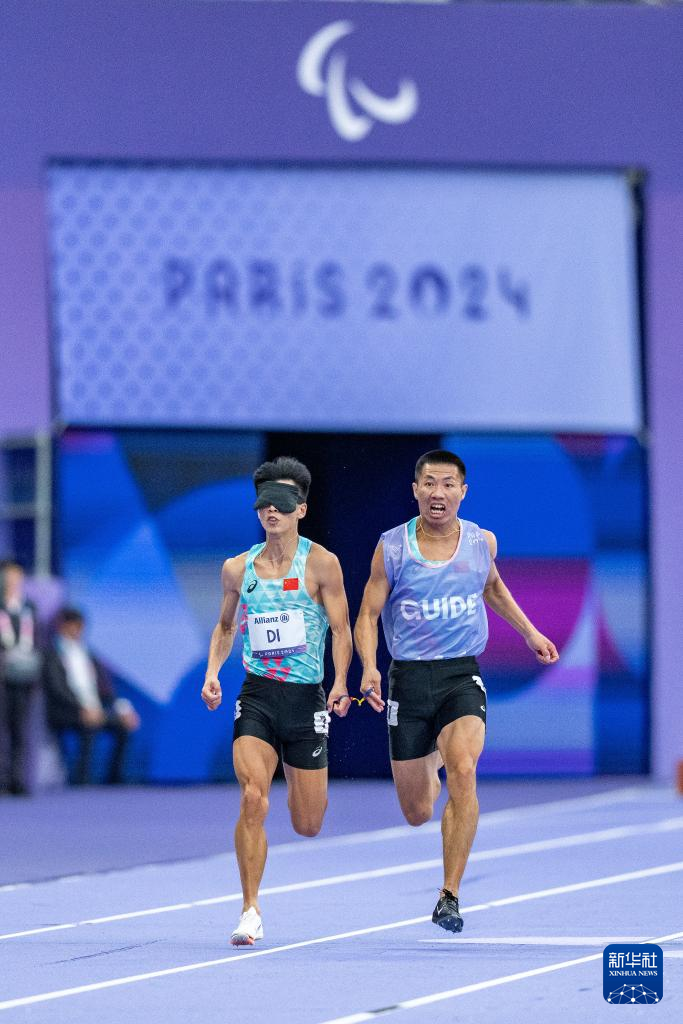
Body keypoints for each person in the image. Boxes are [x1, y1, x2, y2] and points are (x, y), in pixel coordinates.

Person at [354, 450, 559, 934]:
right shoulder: (392, 548)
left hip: (460, 675)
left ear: (462, 492)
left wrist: (530, 633)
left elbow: (494, 589)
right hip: (408, 679)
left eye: (448, 484)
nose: (438, 493)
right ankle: (430, 758)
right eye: (429, 483)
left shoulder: (481, 542)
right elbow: (367, 615)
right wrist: (370, 668)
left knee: (464, 769)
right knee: (416, 811)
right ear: (415, 490)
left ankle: (449, 894)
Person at [201, 456, 352, 946]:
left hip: (306, 700)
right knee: (252, 796)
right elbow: (226, 627)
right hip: (258, 696)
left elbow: (341, 629)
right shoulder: (237, 568)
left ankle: (299, 787)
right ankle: (250, 909)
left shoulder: (322, 564)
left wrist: (341, 681)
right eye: (265, 501)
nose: (272, 510)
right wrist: (212, 673)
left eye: (283, 502)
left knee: (308, 823)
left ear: (301, 509)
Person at [43, 607, 140, 785]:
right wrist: (82, 708)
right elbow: (57, 690)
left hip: (95, 709)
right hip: (67, 711)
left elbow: (106, 689)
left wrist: (123, 709)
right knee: (89, 724)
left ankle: (114, 778)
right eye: (75, 626)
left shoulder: (88, 654)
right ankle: (82, 779)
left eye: (81, 627)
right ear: (64, 626)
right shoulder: (52, 654)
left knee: (123, 726)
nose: (78, 631)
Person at [0, 559, 42, 795]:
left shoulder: (29, 608)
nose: (12, 581)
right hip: (2, 676)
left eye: (17, 576)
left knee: (19, 729)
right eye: (8, 576)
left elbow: (37, 641)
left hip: (23, 677)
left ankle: (17, 779)